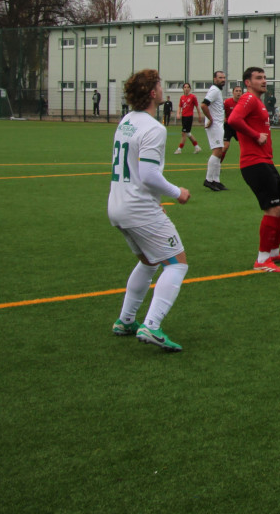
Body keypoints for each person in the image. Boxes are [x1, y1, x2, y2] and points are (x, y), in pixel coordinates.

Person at [108, 68, 192, 352]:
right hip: (137, 207)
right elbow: (148, 175)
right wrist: (177, 193)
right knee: (177, 263)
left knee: (148, 261)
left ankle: (125, 320)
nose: (162, 88)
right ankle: (152, 325)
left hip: (118, 205)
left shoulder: (126, 121)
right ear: (153, 92)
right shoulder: (154, 128)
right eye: (159, 85)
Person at [228, 67, 280, 273]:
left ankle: (274, 252)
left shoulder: (257, 102)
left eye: (265, 77)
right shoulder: (248, 99)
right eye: (259, 78)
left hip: (265, 161)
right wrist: (256, 136)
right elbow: (233, 120)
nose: (264, 81)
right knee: (273, 208)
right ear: (248, 82)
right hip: (254, 163)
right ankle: (262, 259)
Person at [200, 71, 228, 191]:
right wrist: (210, 119)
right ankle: (208, 180)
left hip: (218, 124)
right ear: (214, 79)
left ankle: (216, 180)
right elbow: (203, 105)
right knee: (217, 151)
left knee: (220, 151)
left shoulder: (217, 91)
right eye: (220, 77)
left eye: (224, 77)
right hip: (214, 125)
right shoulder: (214, 90)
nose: (223, 79)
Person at [175, 83, 201, 154]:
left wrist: (199, 115)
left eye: (187, 87)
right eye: (185, 87)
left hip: (189, 117)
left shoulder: (193, 97)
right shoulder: (182, 97)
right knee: (188, 133)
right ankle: (197, 147)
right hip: (183, 117)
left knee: (183, 133)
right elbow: (180, 106)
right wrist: (178, 113)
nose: (186, 89)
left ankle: (179, 149)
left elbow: (197, 106)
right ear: (183, 89)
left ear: (190, 89)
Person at [221, 85, 243, 159]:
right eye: (236, 91)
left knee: (245, 146)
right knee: (225, 146)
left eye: (240, 91)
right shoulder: (227, 102)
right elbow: (220, 110)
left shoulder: (244, 103)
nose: (238, 93)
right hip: (228, 126)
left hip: (239, 127)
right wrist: (223, 118)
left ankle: (247, 163)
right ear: (233, 92)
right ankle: (217, 163)